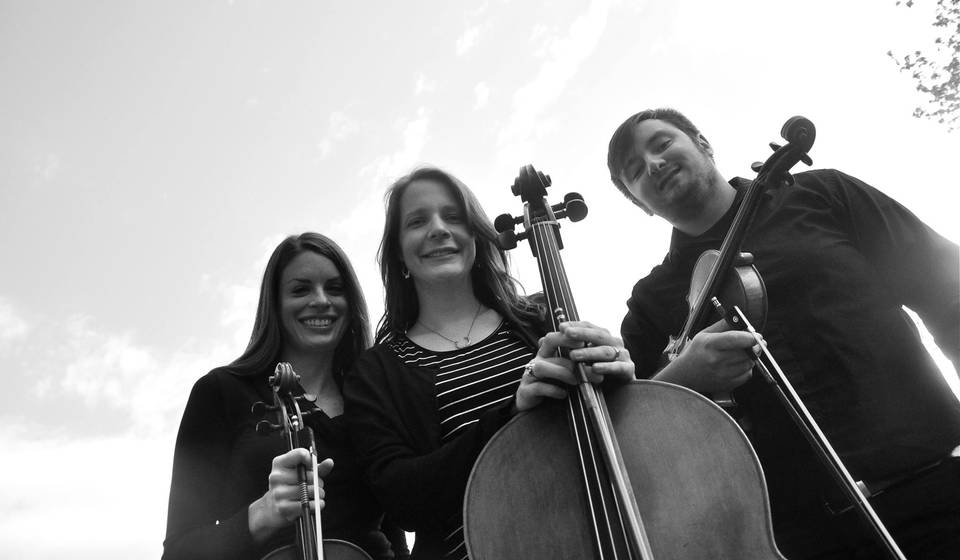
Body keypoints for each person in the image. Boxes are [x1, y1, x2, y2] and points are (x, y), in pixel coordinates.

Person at [606, 107, 960, 559]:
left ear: (702, 143)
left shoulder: (822, 193)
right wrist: (682, 378)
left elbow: (948, 294)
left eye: (662, 144)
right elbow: (633, 431)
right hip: (800, 540)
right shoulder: (650, 302)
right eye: (635, 172)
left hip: (937, 486)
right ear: (640, 204)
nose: (653, 165)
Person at [343, 167, 634, 560]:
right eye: (417, 221)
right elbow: (401, 498)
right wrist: (512, 412)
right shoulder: (378, 370)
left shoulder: (542, 317)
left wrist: (623, 382)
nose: (438, 229)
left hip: (597, 539)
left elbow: (617, 435)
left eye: (453, 216)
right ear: (398, 252)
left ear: (475, 236)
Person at [163, 232, 404, 560]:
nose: (320, 300)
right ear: (275, 304)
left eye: (334, 288)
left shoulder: (370, 396)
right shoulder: (220, 392)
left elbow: (394, 538)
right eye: (300, 289)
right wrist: (262, 513)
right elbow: (179, 551)